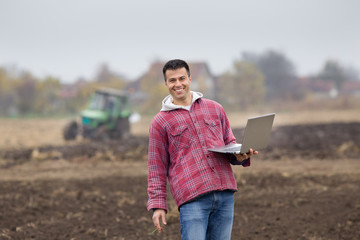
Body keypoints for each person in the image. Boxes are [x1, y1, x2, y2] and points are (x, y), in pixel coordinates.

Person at [147, 59, 258, 240]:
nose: (178, 84)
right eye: (172, 80)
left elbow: (229, 144)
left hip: (224, 192)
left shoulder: (215, 109)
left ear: (190, 79)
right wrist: (158, 205)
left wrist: (241, 156)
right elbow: (156, 168)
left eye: (182, 78)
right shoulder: (160, 122)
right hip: (192, 197)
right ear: (166, 83)